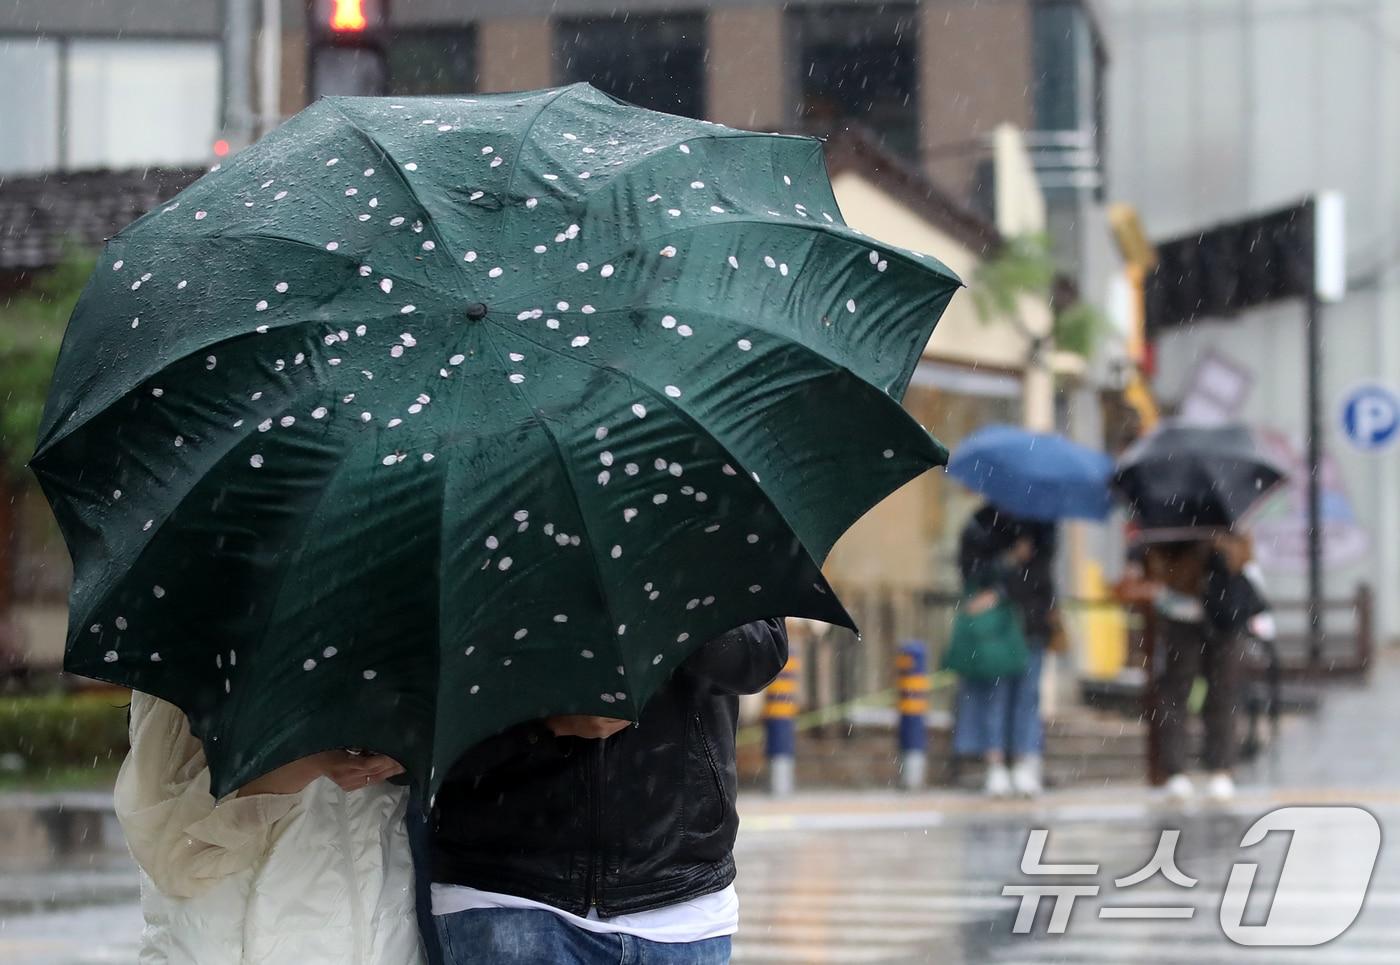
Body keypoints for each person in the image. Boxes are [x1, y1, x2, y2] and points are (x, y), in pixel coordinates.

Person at [427, 619, 788, 965]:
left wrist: (660, 600)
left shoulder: (712, 554)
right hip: (505, 895)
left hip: (682, 902)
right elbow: (425, 716)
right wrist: (545, 727)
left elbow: (759, 656)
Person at [115, 692, 423, 964]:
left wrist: (409, 749)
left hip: (382, 933)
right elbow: (175, 851)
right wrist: (307, 761)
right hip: (228, 936)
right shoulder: (198, 643)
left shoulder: (389, 640)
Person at [1142, 532, 1265, 802]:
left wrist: (1219, 552)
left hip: (1224, 620)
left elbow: (1245, 562)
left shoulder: (1231, 525)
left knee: (1223, 693)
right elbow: (1159, 569)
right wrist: (1192, 559)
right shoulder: (1172, 529)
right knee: (1175, 693)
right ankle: (1175, 771)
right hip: (1181, 616)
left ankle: (1221, 768)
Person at [952, 505, 1059, 798]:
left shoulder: (1042, 525)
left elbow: (1042, 578)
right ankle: (995, 763)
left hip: (1031, 623)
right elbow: (971, 572)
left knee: (1027, 695)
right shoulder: (981, 524)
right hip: (996, 627)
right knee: (993, 694)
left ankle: (1024, 761)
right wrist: (1008, 564)